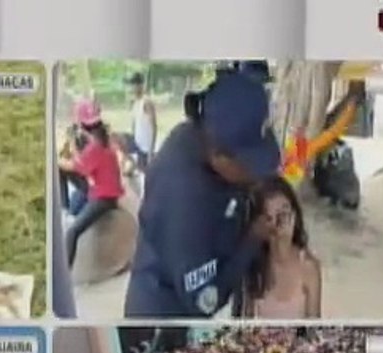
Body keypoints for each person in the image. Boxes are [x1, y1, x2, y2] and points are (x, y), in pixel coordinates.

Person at [124, 69, 280, 318]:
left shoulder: (202, 134)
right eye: (249, 166)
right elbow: (204, 302)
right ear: (219, 156)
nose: (256, 176)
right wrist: (251, 241)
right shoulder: (185, 201)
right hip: (165, 312)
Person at [56, 100, 124, 270]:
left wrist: (55, 159)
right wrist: (74, 145)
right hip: (103, 191)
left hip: (103, 198)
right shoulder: (103, 142)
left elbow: (72, 165)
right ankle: (65, 210)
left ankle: (65, 273)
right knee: (63, 171)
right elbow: (81, 163)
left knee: (72, 233)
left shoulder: (95, 148)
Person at [243, 176, 322, 319]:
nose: (279, 223)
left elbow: (314, 326)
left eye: (284, 214)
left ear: (295, 215)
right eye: (270, 218)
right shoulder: (253, 265)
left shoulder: (309, 267)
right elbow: (245, 321)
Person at [121, 71, 157, 174]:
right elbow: (134, 123)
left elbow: (154, 127)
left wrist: (151, 151)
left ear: (141, 85)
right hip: (136, 142)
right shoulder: (135, 102)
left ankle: (136, 166)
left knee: (145, 173)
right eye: (132, 85)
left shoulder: (147, 102)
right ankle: (131, 166)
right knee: (117, 138)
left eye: (136, 84)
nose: (133, 88)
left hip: (145, 147)